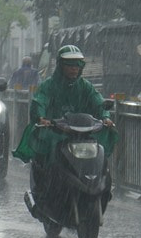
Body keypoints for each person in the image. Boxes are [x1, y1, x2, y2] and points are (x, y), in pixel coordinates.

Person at [13, 45, 116, 207]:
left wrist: (105, 117)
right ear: (61, 65)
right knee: (46, 156)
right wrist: (42, 118)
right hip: (55, 132)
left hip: (81, 134)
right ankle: (43, 189)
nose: (74, 69)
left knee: (99, 157)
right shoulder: (49, 85)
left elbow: (98, 102)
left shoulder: (85, 86)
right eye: (70, 65)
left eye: (77, 65)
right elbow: (40, 101)